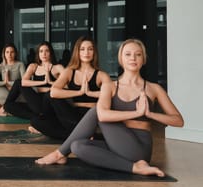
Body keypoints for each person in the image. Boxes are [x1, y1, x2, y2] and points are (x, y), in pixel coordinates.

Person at [35, 39, 184, 177]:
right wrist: (136, 112)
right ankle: (134, 167)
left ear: (143, 59)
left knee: (97, 112)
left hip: (139, 147)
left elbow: (178, 121)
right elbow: (103, 116)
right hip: (115, 143)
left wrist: (149, 114)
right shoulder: (110, 86)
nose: (133, 58)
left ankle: (59, 154)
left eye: (138, 55)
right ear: (121, 59)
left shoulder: (153, 88)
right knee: (77, 146)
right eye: (128, 54)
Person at [29, 36, 112, 139]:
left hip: (90, 116)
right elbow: (53, 92)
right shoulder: (69, 72)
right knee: (35, 120)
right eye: (82, 49)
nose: (86, 52)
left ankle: (77, 135)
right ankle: (82, 135)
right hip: (72, 116)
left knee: (51, 125)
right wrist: (79, 92)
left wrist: (90, 93)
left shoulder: (101, 75)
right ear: (77, 52)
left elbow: (111, 95)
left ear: (94, 52)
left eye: (90, 49)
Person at [0, 41, 64, 118]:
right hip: (35, 102)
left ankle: (3, 109)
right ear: (38, 54)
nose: (44, 54)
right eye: (41, 51)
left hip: (48, 104)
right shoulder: (34, 66)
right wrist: (43, 82)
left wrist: (49, 83)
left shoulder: (57, 68)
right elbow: (23, 82)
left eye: (46, 51)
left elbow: (66, 87)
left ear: (51, 53)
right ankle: (38, 117)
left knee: (18, 83)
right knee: (9, 106)